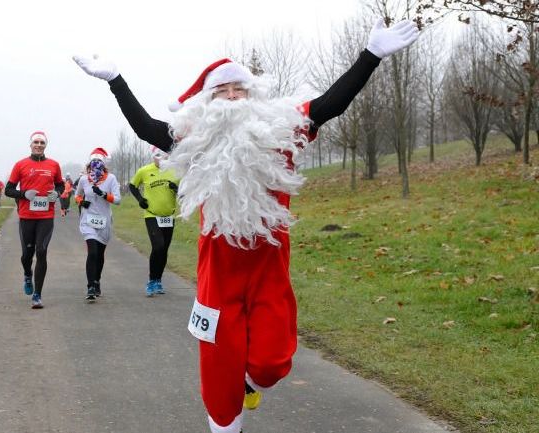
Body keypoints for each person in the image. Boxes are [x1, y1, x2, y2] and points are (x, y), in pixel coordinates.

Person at [74, 18, 418, 433]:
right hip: (218, 273)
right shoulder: (194, 142)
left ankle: (249, 383)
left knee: (272, 363)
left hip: (268, 268)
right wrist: (116, 81)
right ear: (207, 102)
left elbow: (331, 104)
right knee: (219, 379)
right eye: (222, 91)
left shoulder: (281, 130)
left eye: (240, 90)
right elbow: (146, 127)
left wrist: (371, 56)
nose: (233, 97)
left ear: (253, 96)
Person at [4, 131, 64, 309]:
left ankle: (37, 295)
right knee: (26, 256)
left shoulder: (54, 165)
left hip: (46, 216)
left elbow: (60, 184)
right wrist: (24, 194)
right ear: (30, 144)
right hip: (26, 217)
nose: (38, 145)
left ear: (46, 145)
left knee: (42, 251)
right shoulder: (20, 165)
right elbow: (8, 190)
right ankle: (27, 274)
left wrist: (57, 193)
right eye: (36, 142)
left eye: (42, 143)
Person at [129, 145, 179, 297]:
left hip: (169, 216)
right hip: (151, 215)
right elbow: (132, 186)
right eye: (157, 156)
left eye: (163, 156)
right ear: (153, 157)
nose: (160, 159)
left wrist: (176, 189)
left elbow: (184, 192)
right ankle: (151, 280)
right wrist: (140, 200)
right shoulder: (144, 171)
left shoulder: (174, 171)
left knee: (164, 250)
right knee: (158, 246)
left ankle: (158, 280)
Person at [74, 147, 121, 302]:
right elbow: (77, 195)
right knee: (92, 252)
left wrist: (103, 194)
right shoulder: (83, 179)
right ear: (89, 164)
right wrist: (82, 201)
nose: (96, 165)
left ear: (104, 164)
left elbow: (118, 200)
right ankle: (90, 287)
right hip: (88, 221)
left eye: (99, 162)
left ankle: (97, 280)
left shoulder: (111, 179)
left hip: (104, 222)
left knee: (99, 255)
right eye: (93, 163)